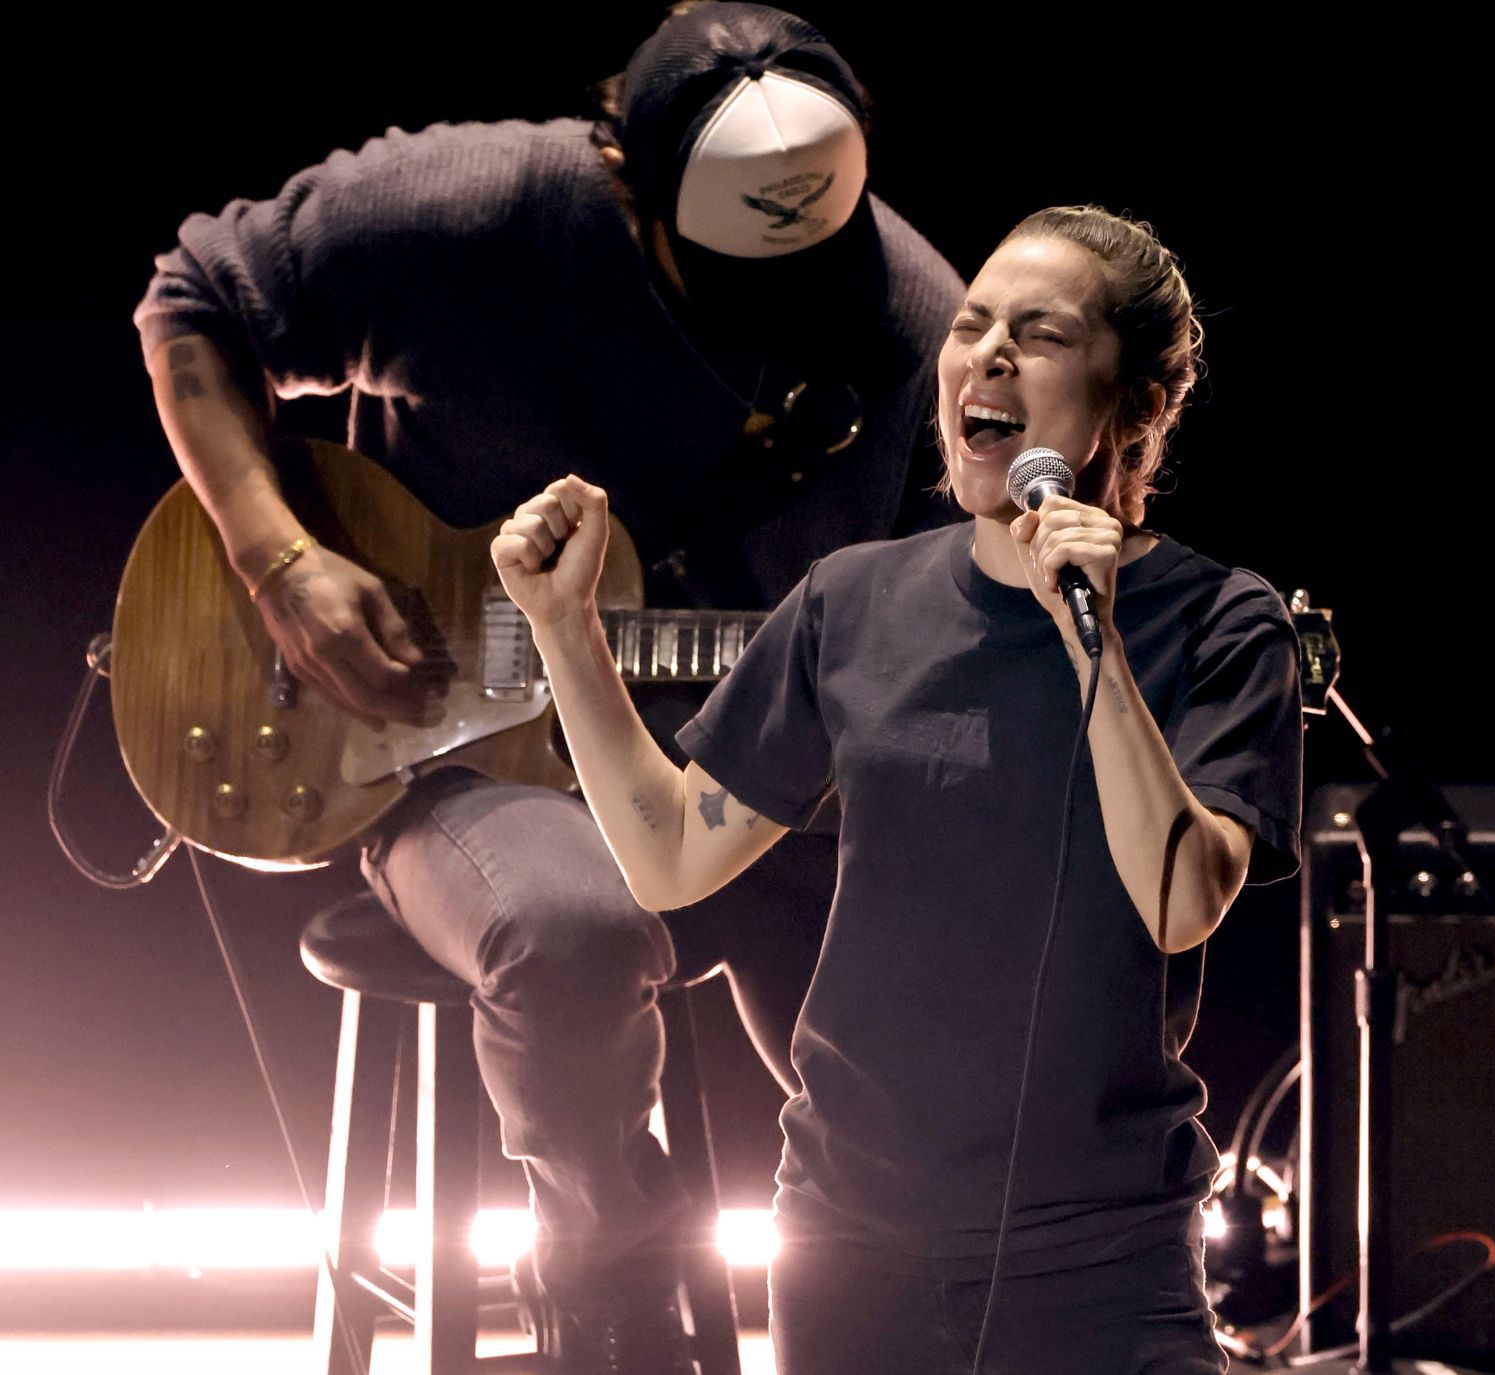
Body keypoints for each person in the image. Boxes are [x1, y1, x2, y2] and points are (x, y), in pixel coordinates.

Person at [132, 6, 964, 1372]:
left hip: (745, 779)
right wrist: (280, 561)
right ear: (628, 192)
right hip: (455, 750)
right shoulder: (483, 213)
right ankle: (610, 1269)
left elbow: (952, 618)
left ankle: (895, 1304)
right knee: (572, 930)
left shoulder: (916, 321)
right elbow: (194, 300)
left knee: (931, 1006)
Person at [493, 206, 1304, 1375]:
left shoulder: (1224, 622)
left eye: (1043, 334)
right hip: (848, 1242)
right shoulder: (851, 602)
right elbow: (669, 855)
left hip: (1098, 1262)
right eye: (972, 325)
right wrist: (562, 631)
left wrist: (1093, 644)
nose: (988, 354)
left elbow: (1183, 899)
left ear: (1135, 403)